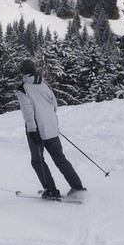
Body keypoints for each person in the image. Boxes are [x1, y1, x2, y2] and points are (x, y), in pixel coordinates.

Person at [16, 58, 85, 200]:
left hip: (36, 131)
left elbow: (28, 113)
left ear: (22, 72)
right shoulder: (43, 84)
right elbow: (54, 106)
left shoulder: (23, 88)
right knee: (60, 158)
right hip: (52, 128)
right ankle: (77, 187)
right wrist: (51, 122)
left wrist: (33, 130)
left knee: (37, 161)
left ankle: (51, 190)